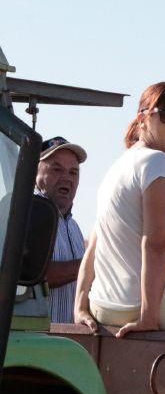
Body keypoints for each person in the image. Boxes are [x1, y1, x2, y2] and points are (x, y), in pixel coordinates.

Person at [74, 82, 165, 336]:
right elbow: (156, 244)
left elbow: (94, 246)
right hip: (154, 302)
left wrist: (80, 305)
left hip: (104, 304)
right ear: (143, 118)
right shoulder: (157, 163)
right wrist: (149, 316)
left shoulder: (116, 169)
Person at [34, 136, 87, 323]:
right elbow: (38, 275)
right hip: (36, 341)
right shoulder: (28, 214)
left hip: (70, 342)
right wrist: (92, 265)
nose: (66, 178)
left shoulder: (74, 227)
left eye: (73, 172)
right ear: (35, 172)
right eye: (57, 169)